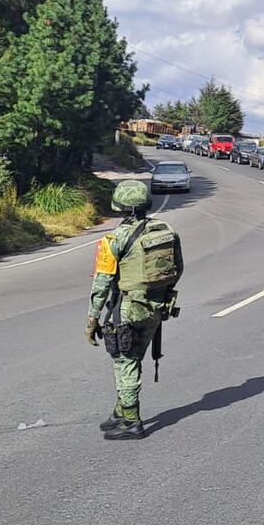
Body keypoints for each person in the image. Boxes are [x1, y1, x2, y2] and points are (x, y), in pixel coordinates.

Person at [86, 180, 183, 440]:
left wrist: (92, 319)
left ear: (119, 207)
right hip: (156, 307)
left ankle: (131, 421)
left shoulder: (114, 239)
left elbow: (102, 283)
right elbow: (177, 269)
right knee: (133, 357)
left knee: (125, 361)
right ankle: (120, 411)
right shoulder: (166, 230)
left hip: (127, 309)